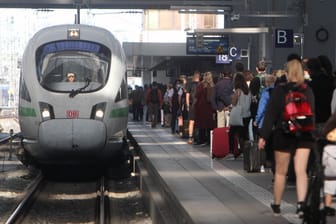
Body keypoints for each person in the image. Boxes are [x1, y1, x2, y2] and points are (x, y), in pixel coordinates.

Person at [258, 59, 315, 218]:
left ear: (287, 73)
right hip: (304, 136)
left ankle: (276, 204)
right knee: (301, 171)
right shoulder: (307, 90)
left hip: (283, 135)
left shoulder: (279, 90)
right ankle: (301, 204)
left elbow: (271, 114)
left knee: (281, 173)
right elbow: (312, 114)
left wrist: (263, 136)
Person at [228, 72, 251, 159]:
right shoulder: (248, 91)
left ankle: (231, 152)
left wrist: (232, 97)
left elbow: (234, 103)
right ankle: (244, 152)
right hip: (247, 115)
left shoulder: (237, 91)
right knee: (244, 134)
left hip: (238, 115)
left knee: (231, 134)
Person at [186, 71, 200, 143]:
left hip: (192, 105)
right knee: (198, 122)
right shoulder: (201, 84)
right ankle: (197, 137)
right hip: (199, 105)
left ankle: (190, 137)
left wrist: (187, 105)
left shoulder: (190, 84)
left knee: (191, 121)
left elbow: (187, 95)